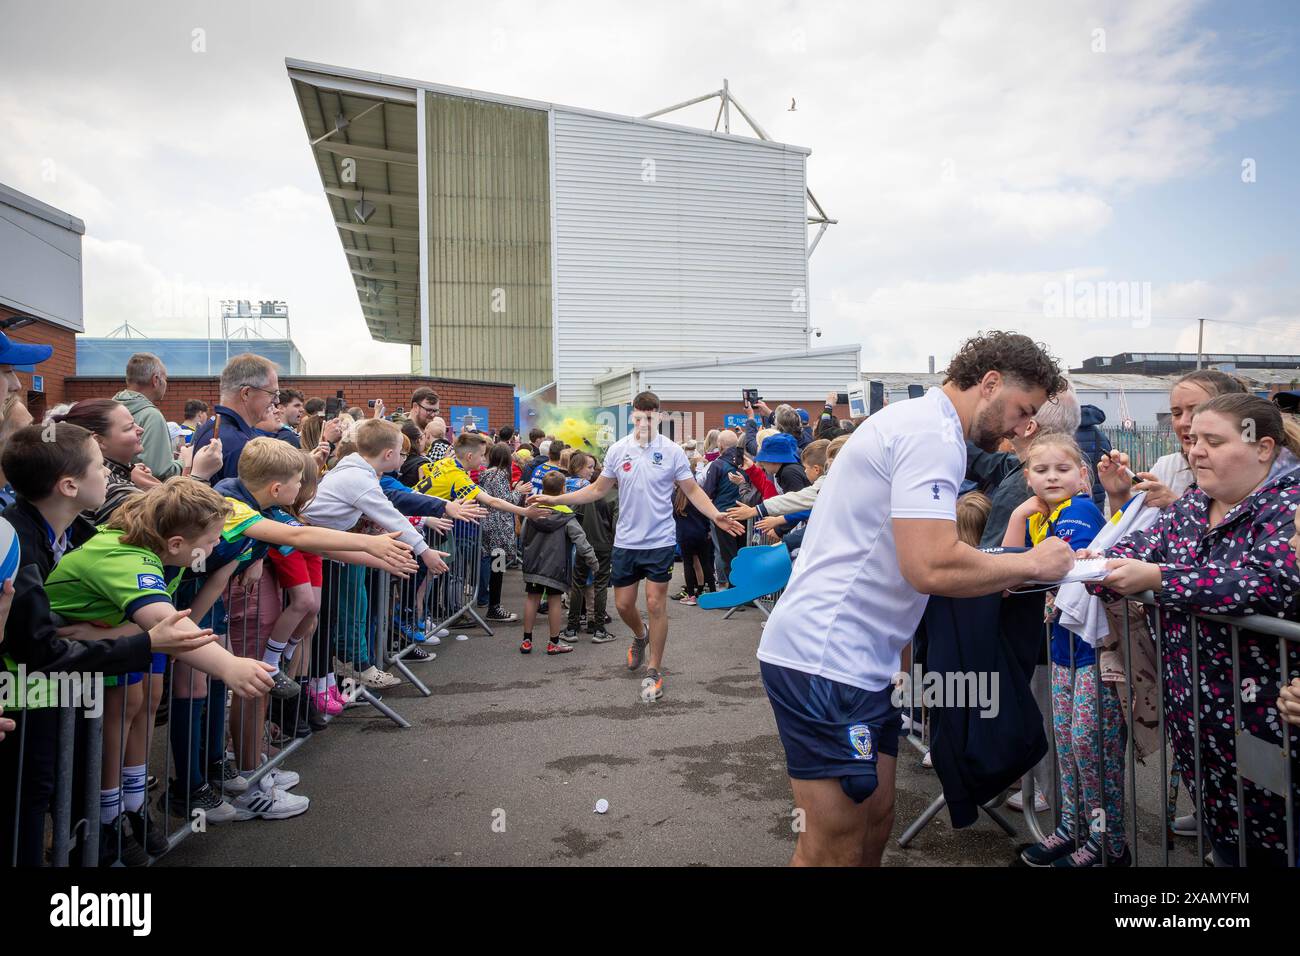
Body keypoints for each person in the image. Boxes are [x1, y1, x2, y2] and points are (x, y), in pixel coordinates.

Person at [756, 331, 1073, 867]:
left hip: (861, 662)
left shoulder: (929, 427)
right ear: (990, 383)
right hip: (825, 658)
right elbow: (929, 563)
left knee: (876, 820)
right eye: (1023, 409)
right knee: (833, 841)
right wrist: (1032, 563)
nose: (1026, 427)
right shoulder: (930, 433)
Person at [1088, 394, 1300, 867]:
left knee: (1275, 841)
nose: (1194, 451)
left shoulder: (1289, 506)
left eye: (1212, 441)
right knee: (1225, 837)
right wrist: (1094, 564)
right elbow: (1141, 545)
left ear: (1263, 447)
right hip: (1196, 717)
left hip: (1265, 717)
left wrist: (1160, 579)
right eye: (1192, 441)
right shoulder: (1192, 506)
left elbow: (1270, 582)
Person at [0, 423, 220, 866]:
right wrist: (143, 642)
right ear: (69, 485)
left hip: (49, 696)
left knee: (59, 781)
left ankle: (97, 832)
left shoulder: (72, 529)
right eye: (100, 466)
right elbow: (42, 652)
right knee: (28, 798)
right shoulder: (17, 542)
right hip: (21, 697)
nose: (110, 476)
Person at [529, 391, 745, 701]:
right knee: (623, 605)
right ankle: (640, 635)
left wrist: (716, 516)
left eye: (650, 415)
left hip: (659, 540)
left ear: (659, 416)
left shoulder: (672, 451)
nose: (645, 420)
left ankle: (654, 669)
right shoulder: (619, 450)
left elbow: (693, 490)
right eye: (640, 415)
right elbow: (596, 490)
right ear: (633, 416)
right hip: (626, 542)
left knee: (656, 604)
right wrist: (556, 498)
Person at [1006, 434, 1127, 867]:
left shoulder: (1076, 511)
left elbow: (1032, 569)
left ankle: (1106, 844)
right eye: (1041, 470)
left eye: (1062, 469)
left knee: (1090, 748)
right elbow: (1016, 562)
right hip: (1065, 648)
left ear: (1082, 475)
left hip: (1094, 649)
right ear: (1027, 477)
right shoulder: (1047, 514)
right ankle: (1073, 830)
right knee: (1071, 745)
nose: (1052, 477)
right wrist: (1023, 514)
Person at [519, 471, 599, 655]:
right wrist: (594, 564)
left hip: (533, 563)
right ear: (563, 489)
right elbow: (582, 542)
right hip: (556, 566)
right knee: (554, 601)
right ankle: (553, 642)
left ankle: (526, 640)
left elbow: (523, 537)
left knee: (532, 599)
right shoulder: (567, 516)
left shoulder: (533, 512)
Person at [190, 353, 282, 483]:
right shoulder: (239, 446)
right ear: (246, 393)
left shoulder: (212, 426)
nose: (276, 400)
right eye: (273, 393)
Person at [114, 353, 182, 480]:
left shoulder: (109, 407)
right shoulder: (152, 416)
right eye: (165, 378)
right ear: (156, 380)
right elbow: (159, 472)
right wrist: (184, 461)